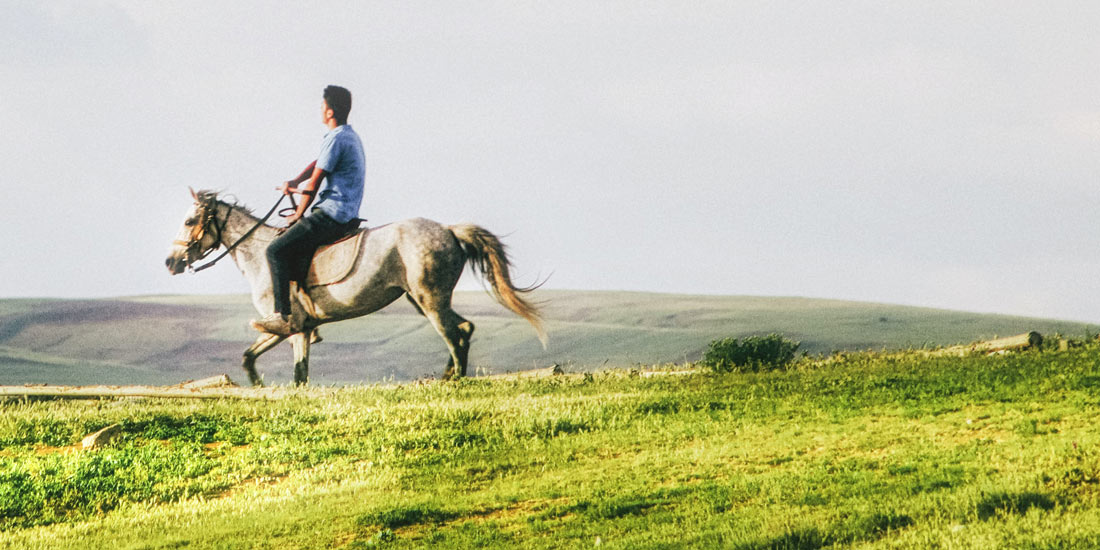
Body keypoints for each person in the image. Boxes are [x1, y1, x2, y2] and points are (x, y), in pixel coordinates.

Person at [251, 85, 365, 336]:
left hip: (332, 213)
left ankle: (282, 316)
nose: (320, 110)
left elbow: (315, 183)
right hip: (346, 210)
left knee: (275, 250)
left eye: (322, 106)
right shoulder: (347, 135)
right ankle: (307, 317)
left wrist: (298, 213)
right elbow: (317, 165)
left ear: (330, 112)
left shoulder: (335, 138)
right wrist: (295, 182)